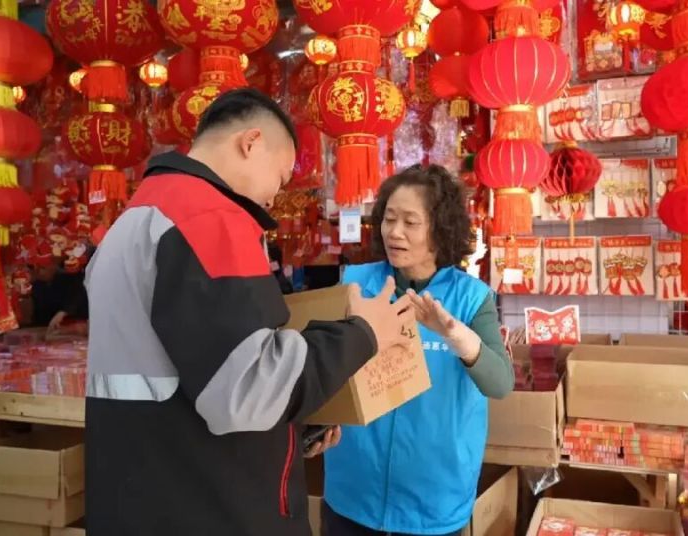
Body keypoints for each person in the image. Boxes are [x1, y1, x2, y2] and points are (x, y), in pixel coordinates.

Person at [83, 88, 414, 535]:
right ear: (251, 142)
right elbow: (248, 390)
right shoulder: (208, 217)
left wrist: (294, 427)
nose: (275, 197)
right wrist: (363, 333)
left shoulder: (137, 218)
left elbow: (198, 373)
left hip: (148, 494)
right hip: (211, 507)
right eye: (280, 177)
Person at [322, 165, 515, 536]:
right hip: (352, 492)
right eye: (389, 218)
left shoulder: (471, 298)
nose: (394, 232)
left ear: (441, 230)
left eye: (410, 222)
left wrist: (456, 335)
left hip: (434, 502)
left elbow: (500, 384)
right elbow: (326, 366)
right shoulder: (355, 283)